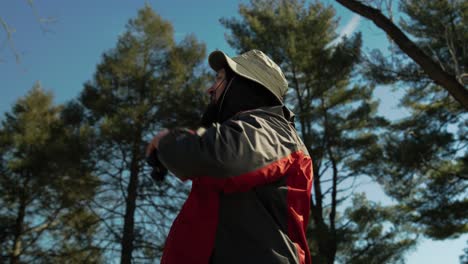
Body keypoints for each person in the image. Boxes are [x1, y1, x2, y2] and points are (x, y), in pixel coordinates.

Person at [146, 49, 313, 264]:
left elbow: (223, 156)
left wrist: (167, 141)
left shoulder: (274, 129)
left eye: (219, 79)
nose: (210, 88)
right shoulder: (248, 132)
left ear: (245, 85)